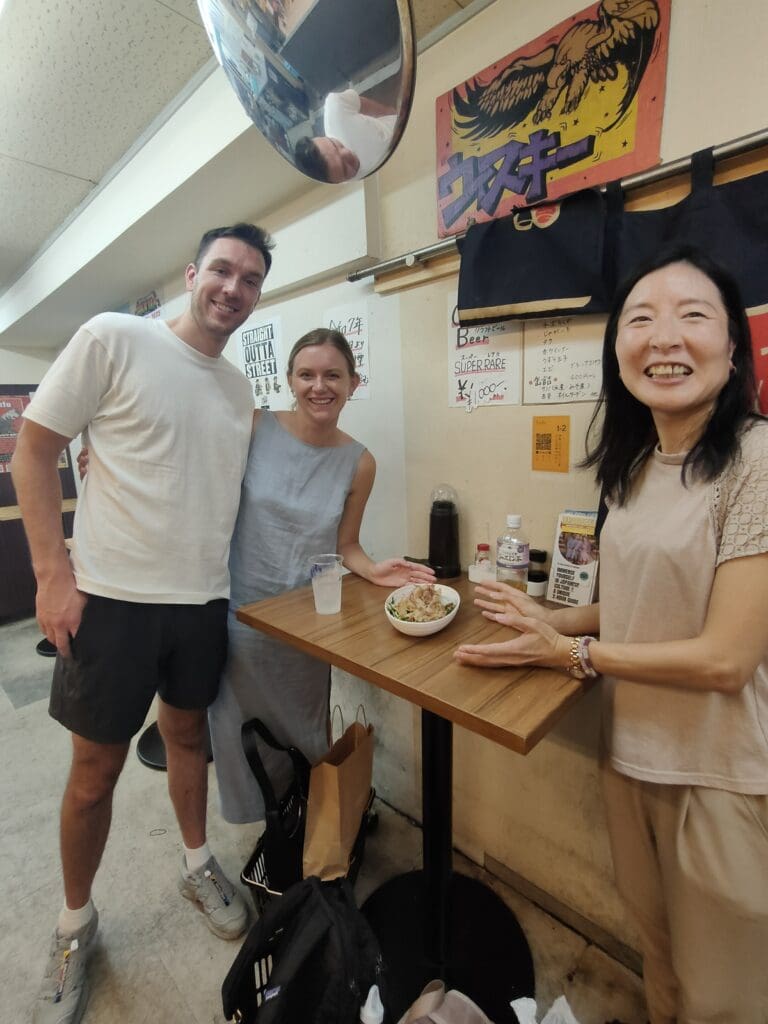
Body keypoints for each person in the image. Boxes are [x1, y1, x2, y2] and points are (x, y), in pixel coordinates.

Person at [454, 245, 768, 1023]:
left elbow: (727, 658)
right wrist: (546, 620)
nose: (664, 338)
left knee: (725, 997)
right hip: (629, 755)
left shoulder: (755, 460)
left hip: (719, 775)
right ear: (618, 351)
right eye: (640, 318)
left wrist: (571, 653)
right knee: (659, 961)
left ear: (734, 351)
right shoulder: (632, 465)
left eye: (693, 316)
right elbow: (633, 601)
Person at [11, 221, 273, 1024]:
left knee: (187, 737)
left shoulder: (238, 392)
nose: (233, 287)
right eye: (222, 269)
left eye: (251, 279)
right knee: (95, 774)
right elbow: (33, 447)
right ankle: (74, 923)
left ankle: (197, 864)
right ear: (192, 272)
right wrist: (53, 575)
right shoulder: (115, 338)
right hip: (112, 600)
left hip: (199, 602)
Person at [208, 327, 434, 823]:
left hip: (309, 625)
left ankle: (313, 825)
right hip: (240, 616)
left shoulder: (360, 462)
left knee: (305, 731)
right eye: (307, 374)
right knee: (238, 731)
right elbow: (188, 459)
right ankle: (270, 824)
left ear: (353, 382)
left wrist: (374, 570)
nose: (319, 386)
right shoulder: (253, 428)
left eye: (333, 375)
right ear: (290, 379)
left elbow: (345, 544)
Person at [294, 90, 397, 183]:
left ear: (322, 137)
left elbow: (358, 102)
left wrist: (388, 111)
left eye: (335, 145)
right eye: (345, 169)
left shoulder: (336, 108)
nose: (347, 152)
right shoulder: (345, 183)